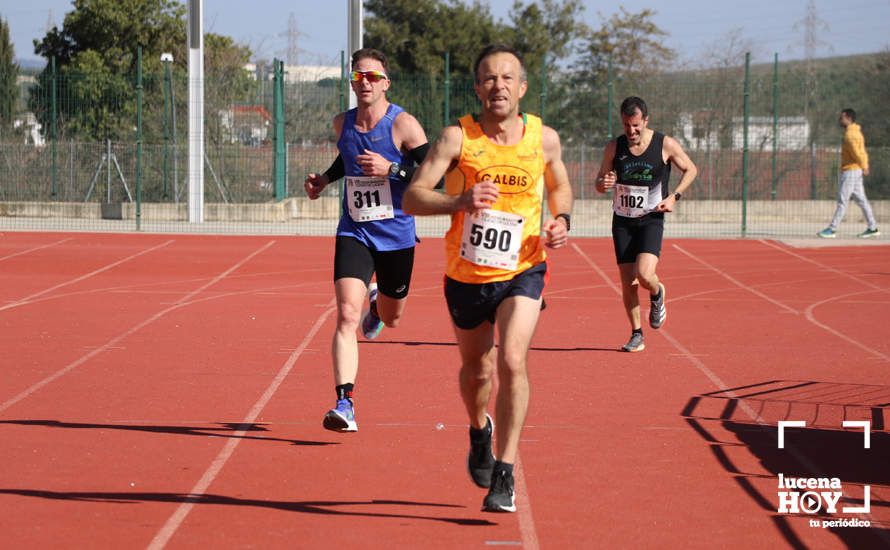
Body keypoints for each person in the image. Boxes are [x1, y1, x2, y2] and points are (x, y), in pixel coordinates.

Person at [403, 44, 573, 513]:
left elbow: (559, 185)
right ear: (477, 87)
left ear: (521, 87)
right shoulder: (455, 139)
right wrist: (460, 201)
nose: (498, 86)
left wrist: (562, 220)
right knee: (477, 368)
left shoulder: (545, 138)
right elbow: (413, 199)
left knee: (512, 360)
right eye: (489, 78)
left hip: (524, 268)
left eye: (507, 78)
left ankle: (505, 471)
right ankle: (479, 430)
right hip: (466, 274)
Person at [304, 48, 430, 432]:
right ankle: (345, 403)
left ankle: (378, 306)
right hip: (354, 229)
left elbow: (431, 173)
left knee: (393, 318)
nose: (365, 83)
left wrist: (392, 167)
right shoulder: (341, 123)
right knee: (344, 315)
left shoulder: (404, 125)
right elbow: (347, 158)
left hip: (395, 234)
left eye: (372, 77)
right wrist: (325, 179)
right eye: (358, 76)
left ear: (385, 83)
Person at [594, 96, 697, 353]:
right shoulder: (614, 147)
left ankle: (657, 290)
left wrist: (675, 196)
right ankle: (636, 334)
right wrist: (603, 184)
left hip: (651, 218)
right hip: (622, 221)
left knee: (644, 275)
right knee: (627, 282)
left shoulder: (665, 144)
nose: (631, 131)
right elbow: (599, 182)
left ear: (646, 121)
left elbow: (691, 169)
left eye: (636, 125)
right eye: (627, 125)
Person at [818, 108, 880, 239]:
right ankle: (873, 227)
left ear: (848, 118)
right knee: (862, 200)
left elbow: (857, 153)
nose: (839, 120)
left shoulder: (850, 135)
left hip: (851, 170)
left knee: (843, 200)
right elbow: (862, 152)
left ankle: (832, 229)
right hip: (855, 170)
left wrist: (864, 166)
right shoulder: (857, 132)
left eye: (841, 118)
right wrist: (864, 165)